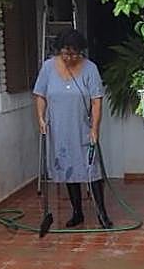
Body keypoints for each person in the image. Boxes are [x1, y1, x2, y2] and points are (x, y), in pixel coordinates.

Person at [34, 29, 113, 229]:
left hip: (82, 128)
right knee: (68, 170)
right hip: (59, 129)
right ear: (59, 50)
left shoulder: (90, 69)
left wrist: (95, 128)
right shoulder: (48, 68)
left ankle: (102, 214)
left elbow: (96, 101)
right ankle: (77, 212)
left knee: (91, 170)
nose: (70, 57)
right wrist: (41, 118)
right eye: (66, 53)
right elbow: (40, 95)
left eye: (74, 54)